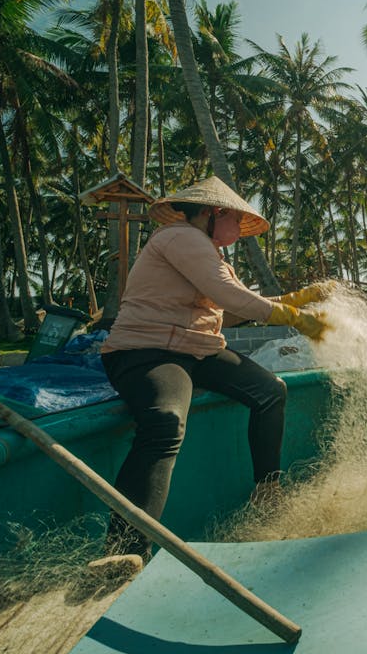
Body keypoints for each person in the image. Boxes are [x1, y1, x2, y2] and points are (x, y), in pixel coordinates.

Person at [99, 175, 330, 559]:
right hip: (147, 351)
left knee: (270, 391)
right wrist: (294, 314)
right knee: (164, 423)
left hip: (198, 351)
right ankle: (124, 548)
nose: (240, 229)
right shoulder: (180, 237)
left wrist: (291, 301)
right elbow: (231, 297)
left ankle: (267, 490)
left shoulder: (207, 250)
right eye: (237, 220)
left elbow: (230, 310)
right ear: (214, 212)